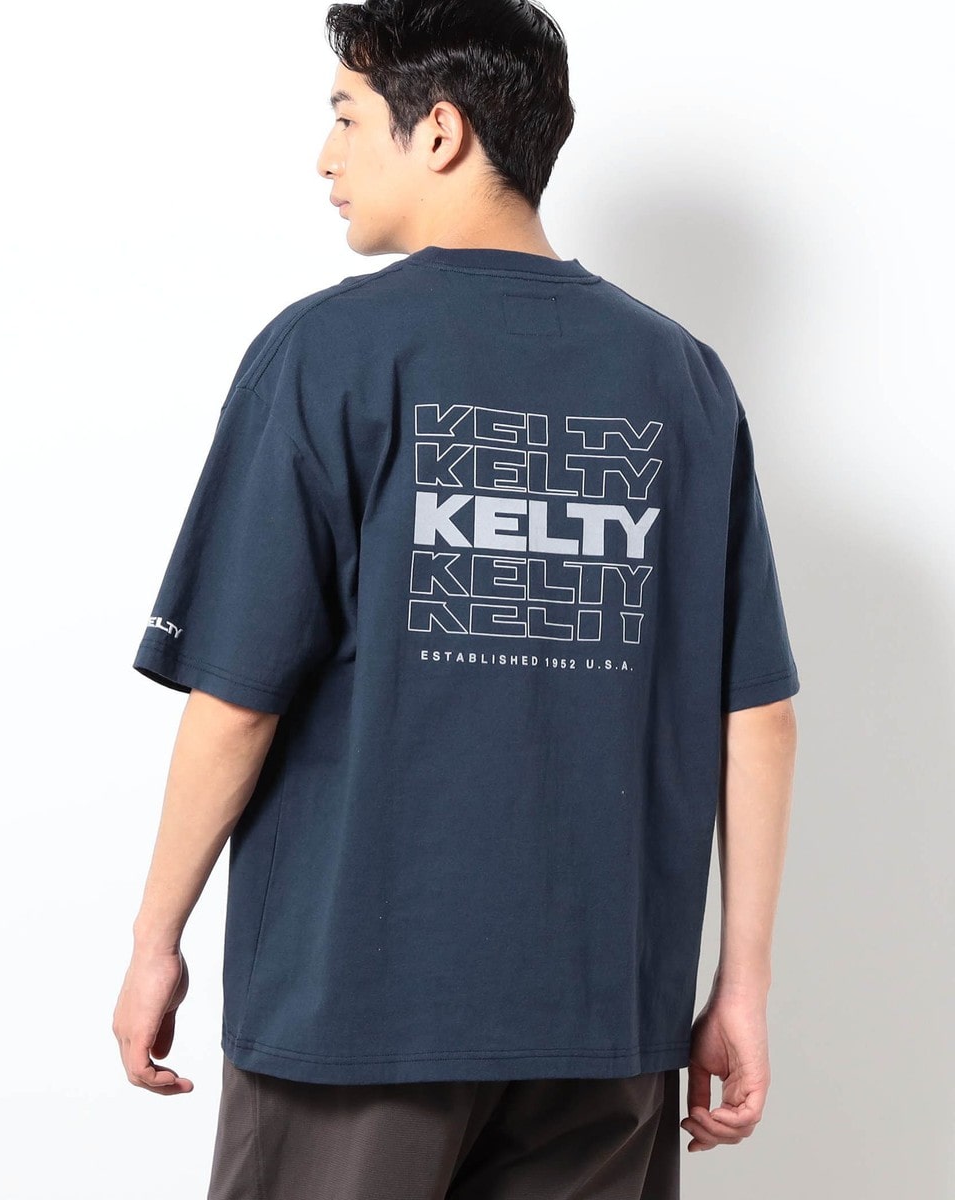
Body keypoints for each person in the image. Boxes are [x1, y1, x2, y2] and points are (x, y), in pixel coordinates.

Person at [112, 1, 800, 1196]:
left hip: (356, 1013)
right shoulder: (682, 380)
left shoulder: (326, 356)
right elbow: (757, 715)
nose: (323, 158)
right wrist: (739, 987)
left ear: (438, 132)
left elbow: (237, 699)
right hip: (605, 1023)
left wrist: (152, 939)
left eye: (344, 117)